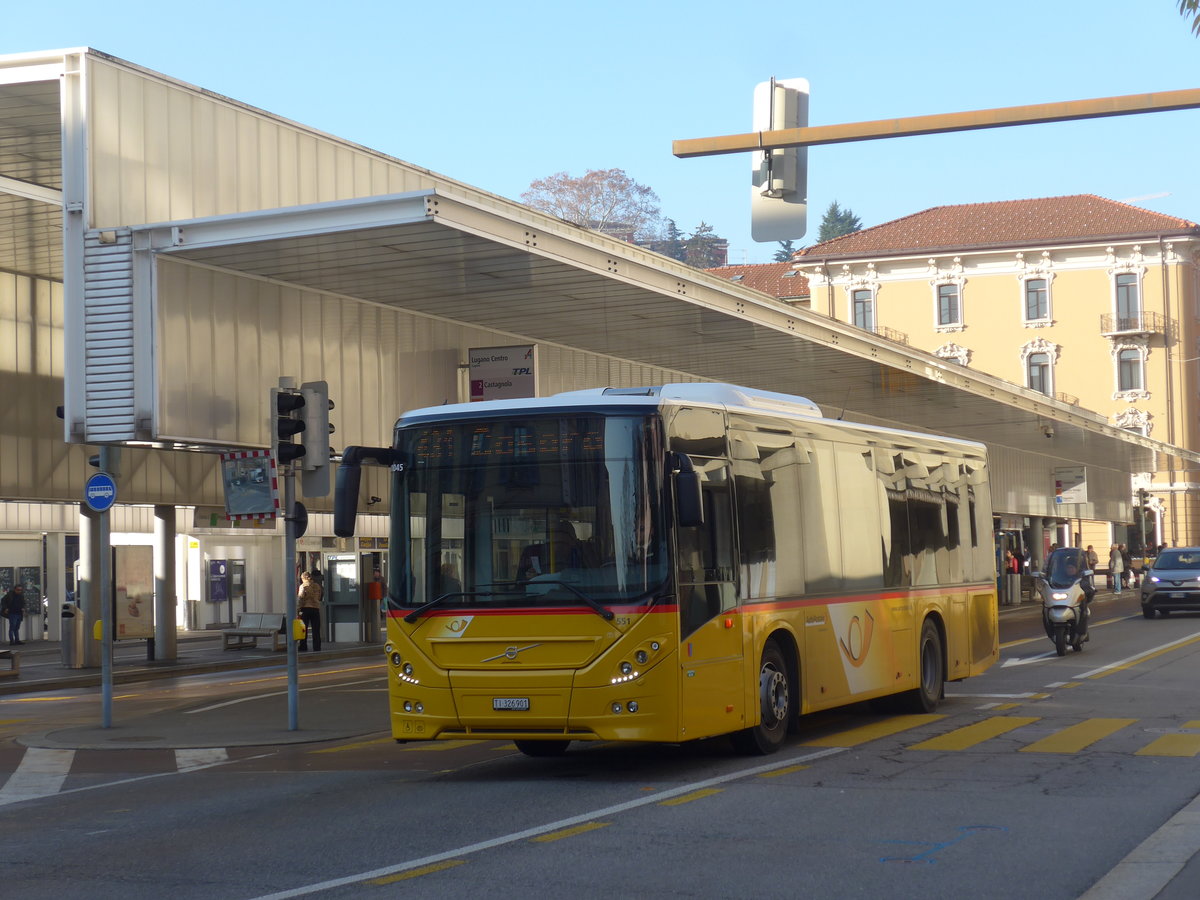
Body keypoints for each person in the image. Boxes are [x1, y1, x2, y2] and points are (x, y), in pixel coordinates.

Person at [297, 570, 323, 652]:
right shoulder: (317, 586)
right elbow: (319, 596)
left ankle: (303, 646)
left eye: (301, 578)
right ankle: (317, 647)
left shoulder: (303, 586)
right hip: (315, 609)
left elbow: (300, 598)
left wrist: (298, 608)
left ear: (303, 578)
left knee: (303, 629)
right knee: (316, 629)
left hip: (305, 609)